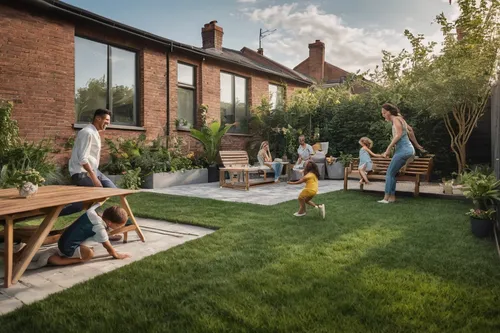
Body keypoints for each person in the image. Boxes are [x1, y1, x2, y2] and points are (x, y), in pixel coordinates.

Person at [26, 203, 131, 270]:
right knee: (89, 253)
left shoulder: (91, 212)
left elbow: (95, 204)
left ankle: (64, 254)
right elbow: (108, 247)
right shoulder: (100, 229)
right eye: (117, 226)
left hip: (63, 241)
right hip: (68, 248)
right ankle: (57, 259)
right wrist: (116, 255)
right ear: (109, 222)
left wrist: (100, 202)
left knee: (90, 242)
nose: (117, 228)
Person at [59, 108, 117, 217]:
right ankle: (55, 212)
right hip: (81, 173)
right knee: (79, 205)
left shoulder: (95, 132)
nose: (108, 123)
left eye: (109, 120)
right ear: (98, 118)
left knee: (112, 190)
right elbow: (82, 159)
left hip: (93, 170)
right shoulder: (87, 133)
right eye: (106, 120)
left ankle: (93, 214)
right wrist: (94, 178)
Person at [379, 103, 416, 203]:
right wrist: (417, 146)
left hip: (403, 150)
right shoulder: (400, 118)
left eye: (384, 113)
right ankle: (392, 197)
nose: (383, 115)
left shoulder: (395, 119)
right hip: (407, 149)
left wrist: (388, 149)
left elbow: (398, 135)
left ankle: (386, 198)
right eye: (382, 113)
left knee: (389, 173)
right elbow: (411, 130)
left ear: (389, 112)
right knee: (393, 174)